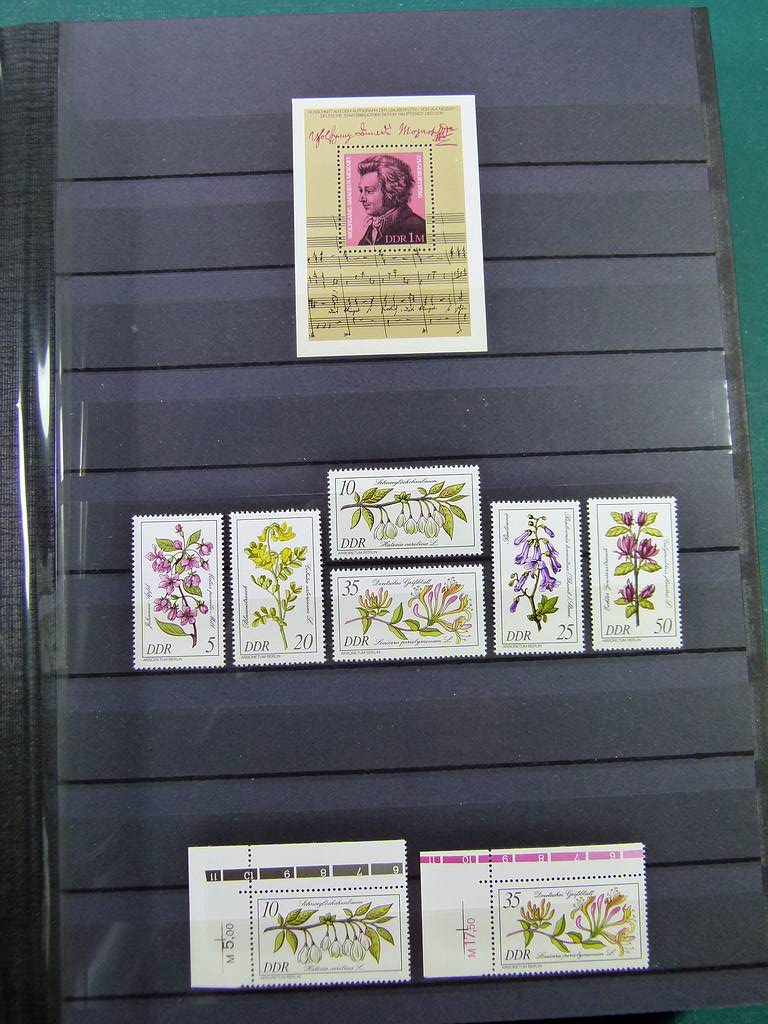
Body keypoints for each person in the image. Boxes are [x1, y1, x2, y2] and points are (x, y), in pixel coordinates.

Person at [356, 154, 427, 245]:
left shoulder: (416, 227)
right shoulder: (372, 229)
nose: (361, 199)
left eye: (369, 191)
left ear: (391, 192)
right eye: (361, 191)